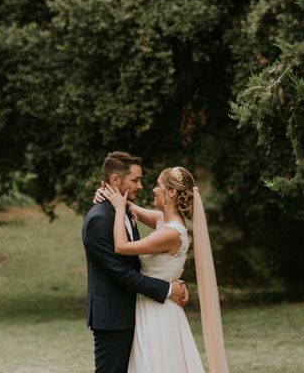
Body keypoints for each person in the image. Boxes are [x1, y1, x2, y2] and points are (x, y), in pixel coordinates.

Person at [101, 165, 230, 373]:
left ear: (171, 192)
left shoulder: (171, 233)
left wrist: (117, 210)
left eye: (158, 185)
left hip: (158, 312)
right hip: (152, 304)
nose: (153, 189)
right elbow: (130, 207)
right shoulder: (163, 221)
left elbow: (121, 247)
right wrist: (108, 192)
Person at [81, 151, 188, 373]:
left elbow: (139, 263)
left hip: (138, 311)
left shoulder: (126, 210)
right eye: (135, 180)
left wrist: (174, 280)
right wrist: (168, 288)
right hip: (113, 316)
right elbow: (120, 272)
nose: (141, 186)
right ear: (115, 180)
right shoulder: (99, 220)